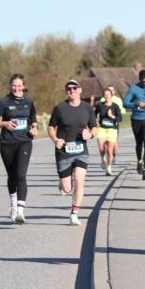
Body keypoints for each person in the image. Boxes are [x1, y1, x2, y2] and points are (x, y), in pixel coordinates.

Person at [0, 73, 38, 224]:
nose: (16, 88)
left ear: (24, 86)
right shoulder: (4, 102)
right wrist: (4, 124)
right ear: (10, 86)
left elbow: (33, 118)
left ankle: (21, 211)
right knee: (12, 176)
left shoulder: (29, 102)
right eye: (14, 86)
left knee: (21, 175)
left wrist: (34, 128)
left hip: (24, 142)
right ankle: (13, 204)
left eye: (19, 86)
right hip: (7, 143)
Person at [47, 79, 97, 225]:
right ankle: (62, 183)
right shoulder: (60, 108)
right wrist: (55, 139)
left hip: (81, 150)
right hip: (63, 152)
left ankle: (74, 213)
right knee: (67, 188)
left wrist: (90, 134)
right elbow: (51, 127)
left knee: (79, 181)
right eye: (69, 88)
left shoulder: (87, 108)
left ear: (80, 90)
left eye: (74, 88)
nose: (72, 90)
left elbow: (94, 127)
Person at [95, 87, 123, 175]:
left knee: (110, 151)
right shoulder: (100, 105)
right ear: (103, 96)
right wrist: (95, 121)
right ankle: (102, 159)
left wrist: (112, 116)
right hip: (102, 129)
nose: (107, 96)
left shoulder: (115, 106)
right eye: (105, 95)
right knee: (101, 148)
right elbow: (94, 114)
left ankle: (109, 168)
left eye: (108, 94)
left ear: (111, 95)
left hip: (112, 130)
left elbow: (120, 119)